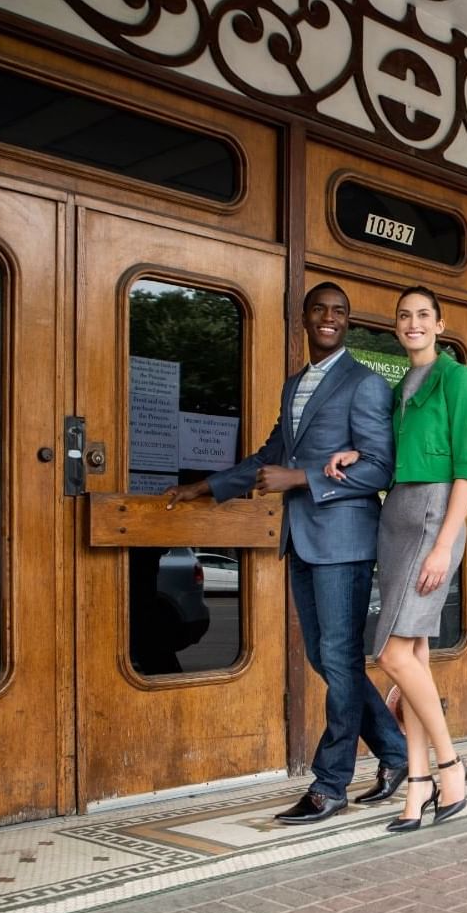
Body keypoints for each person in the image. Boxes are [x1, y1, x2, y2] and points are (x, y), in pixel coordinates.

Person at [165, 282, 408, 825]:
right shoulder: (295, 384)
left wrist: (299, 478)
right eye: (320, 310)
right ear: (303, 317)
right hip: (301, 538)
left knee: (339, 659)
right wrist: (206, 487)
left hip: (343, 540)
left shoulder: (364, 384)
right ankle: (395, 752)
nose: (329, 318)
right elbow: (269, 455)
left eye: (339, 312)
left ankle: (330, 784)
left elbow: (378, 469)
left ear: (348, 322)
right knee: (327, 659)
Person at [325, 285, 467, 832]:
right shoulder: (402, 386)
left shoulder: (455, 377)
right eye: (404, 316)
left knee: (390, 655)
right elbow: (395, 453)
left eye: (423, 315)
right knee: (413, 653)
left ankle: (451, 764)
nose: (413, 323)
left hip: (431, 515)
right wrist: (357, 454)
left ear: (440, 324)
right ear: (396, 326)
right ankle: (416, 785)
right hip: (395, 515)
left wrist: (444, 542)